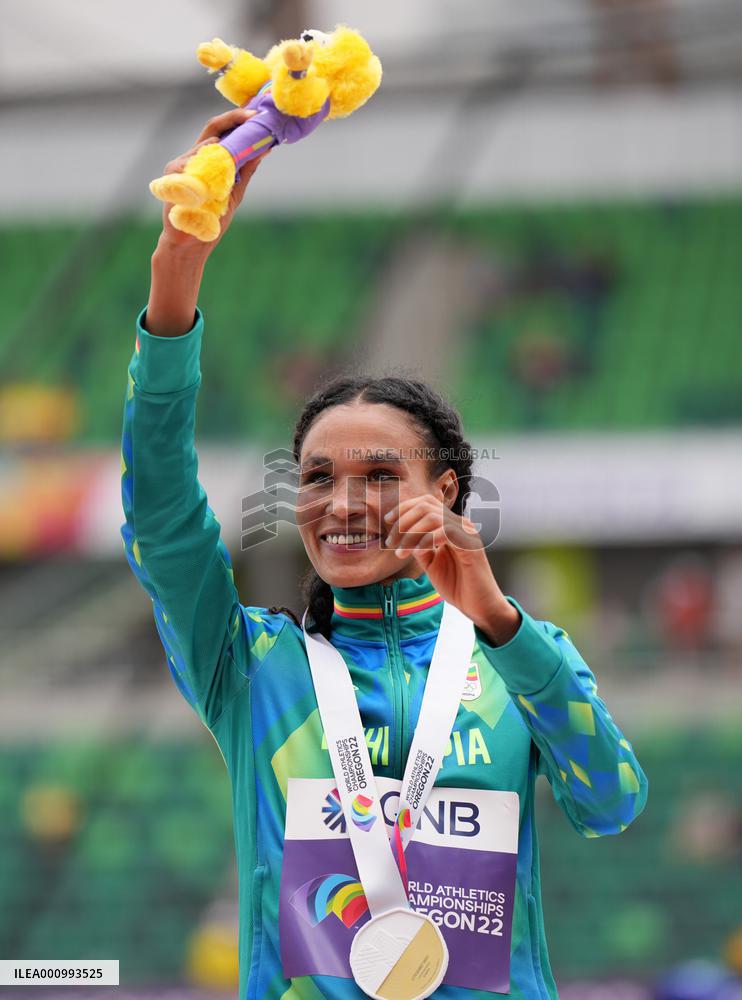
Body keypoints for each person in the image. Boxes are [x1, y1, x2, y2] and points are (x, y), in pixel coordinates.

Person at [121, 109, 649, 1000]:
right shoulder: (251, 664)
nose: (344, 503)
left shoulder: (513, 661)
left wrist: (498, 622)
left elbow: (612, 802)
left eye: (380, 474)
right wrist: (178, 269)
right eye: (319, 476)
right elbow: (164, 515)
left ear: (444, 490)